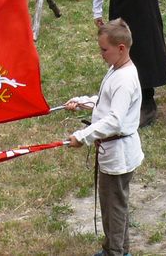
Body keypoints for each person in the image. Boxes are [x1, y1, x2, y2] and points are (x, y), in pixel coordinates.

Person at [65, 19, 143, 256]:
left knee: (114, 208)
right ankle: (117, 249)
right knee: (113, 205)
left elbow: (114, 120)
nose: (101, 54)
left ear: (121, 48)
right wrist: (82, 102)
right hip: (113, 153)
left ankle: (115, 252)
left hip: (119, 155)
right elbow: (105, 104)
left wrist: (83, 136)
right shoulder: (117, 69)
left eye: (104, 49)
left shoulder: (124, 80)